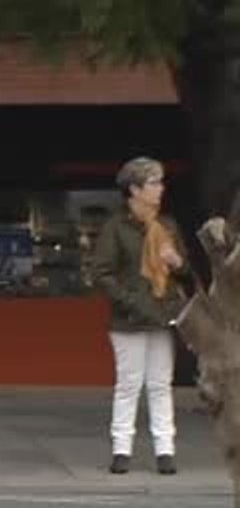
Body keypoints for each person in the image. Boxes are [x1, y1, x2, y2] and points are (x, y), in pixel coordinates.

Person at [91, 157, 192, 476]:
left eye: (161, 182)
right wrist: (131, 302)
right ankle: (122, 449)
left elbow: (186, 273)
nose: (160, 188)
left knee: (161, 384)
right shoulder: (115, 227)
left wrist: (177, 263)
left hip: (163, 315)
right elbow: (102, 273)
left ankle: (166, 450)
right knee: (129, 383)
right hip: (129, 318)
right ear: (134, 189)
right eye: (154, 182)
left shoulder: (168, 225)